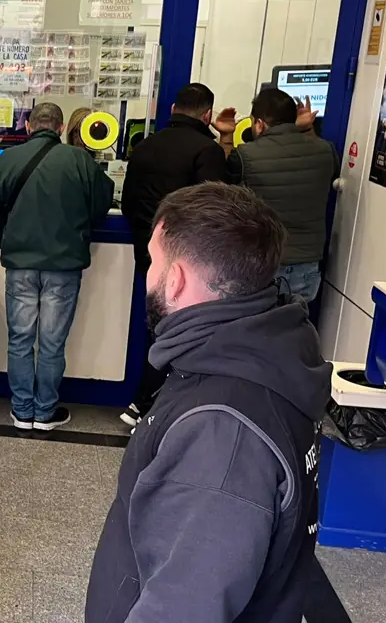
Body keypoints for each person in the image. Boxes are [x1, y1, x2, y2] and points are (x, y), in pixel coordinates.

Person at [85, 182, 330, 623]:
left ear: (175, 279)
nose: (149, 274)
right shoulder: (260, 355)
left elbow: (183, 607)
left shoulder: (221, 433)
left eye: (154, 261)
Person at [0, 102, 115, 431]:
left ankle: (22, 411)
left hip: (20, 263)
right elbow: (102, 203)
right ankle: (45, 411)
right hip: (64, 265)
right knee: (52, 342)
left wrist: (10, 230)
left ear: (28, 127)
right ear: (62, 127)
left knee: (20, 340)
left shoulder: (8, 159)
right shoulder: (80, 160)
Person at [118, 83, 233, 427]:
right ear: (208, 115)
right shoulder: (206, 151)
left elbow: (128, 204)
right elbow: (215, 210)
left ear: (171, 110)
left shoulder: (144, 147)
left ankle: (146, 404)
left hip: (150, 257)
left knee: (156, 327)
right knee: (187, 333)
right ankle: (153, 406)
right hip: (190, 260)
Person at [227, 89, 339, 302]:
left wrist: (225, 138)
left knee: (254, 328)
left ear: (259, 123)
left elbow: (221, 188)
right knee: (293, 327)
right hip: (307, 264)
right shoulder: (326, 151)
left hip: (261, 263)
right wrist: (307, 130)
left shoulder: (245, 156)